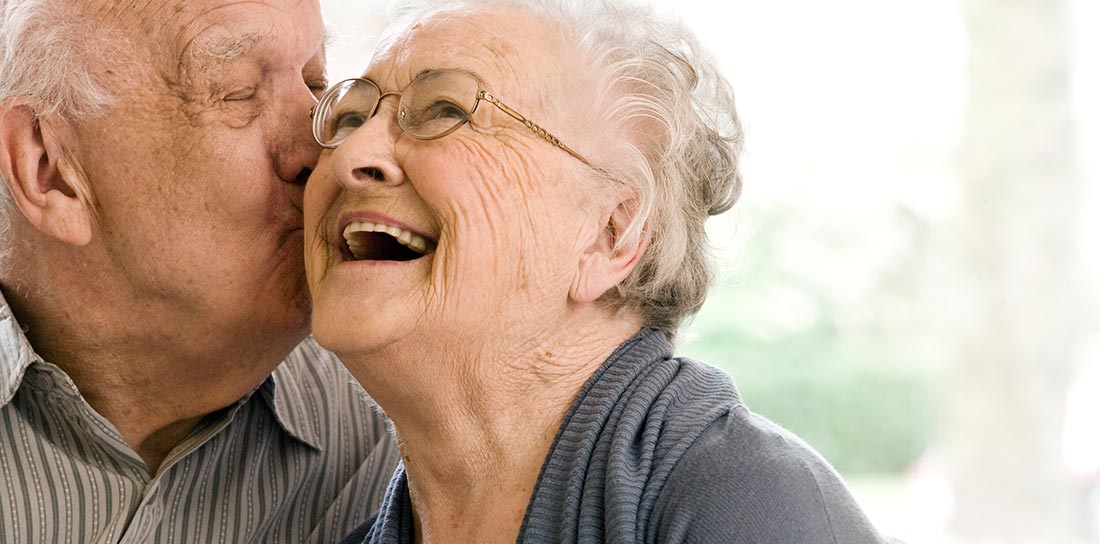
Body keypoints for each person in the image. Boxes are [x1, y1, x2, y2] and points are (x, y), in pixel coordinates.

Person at [303, 0, 889, 542]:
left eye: (447, 111)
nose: (353, 156)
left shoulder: (748, 506)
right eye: (351, 118)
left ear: (611, 236)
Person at [0, 0, 399, 542]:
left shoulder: (390, 435)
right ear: (50, 168)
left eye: (317, 83)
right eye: (238, 92)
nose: (323, 149)